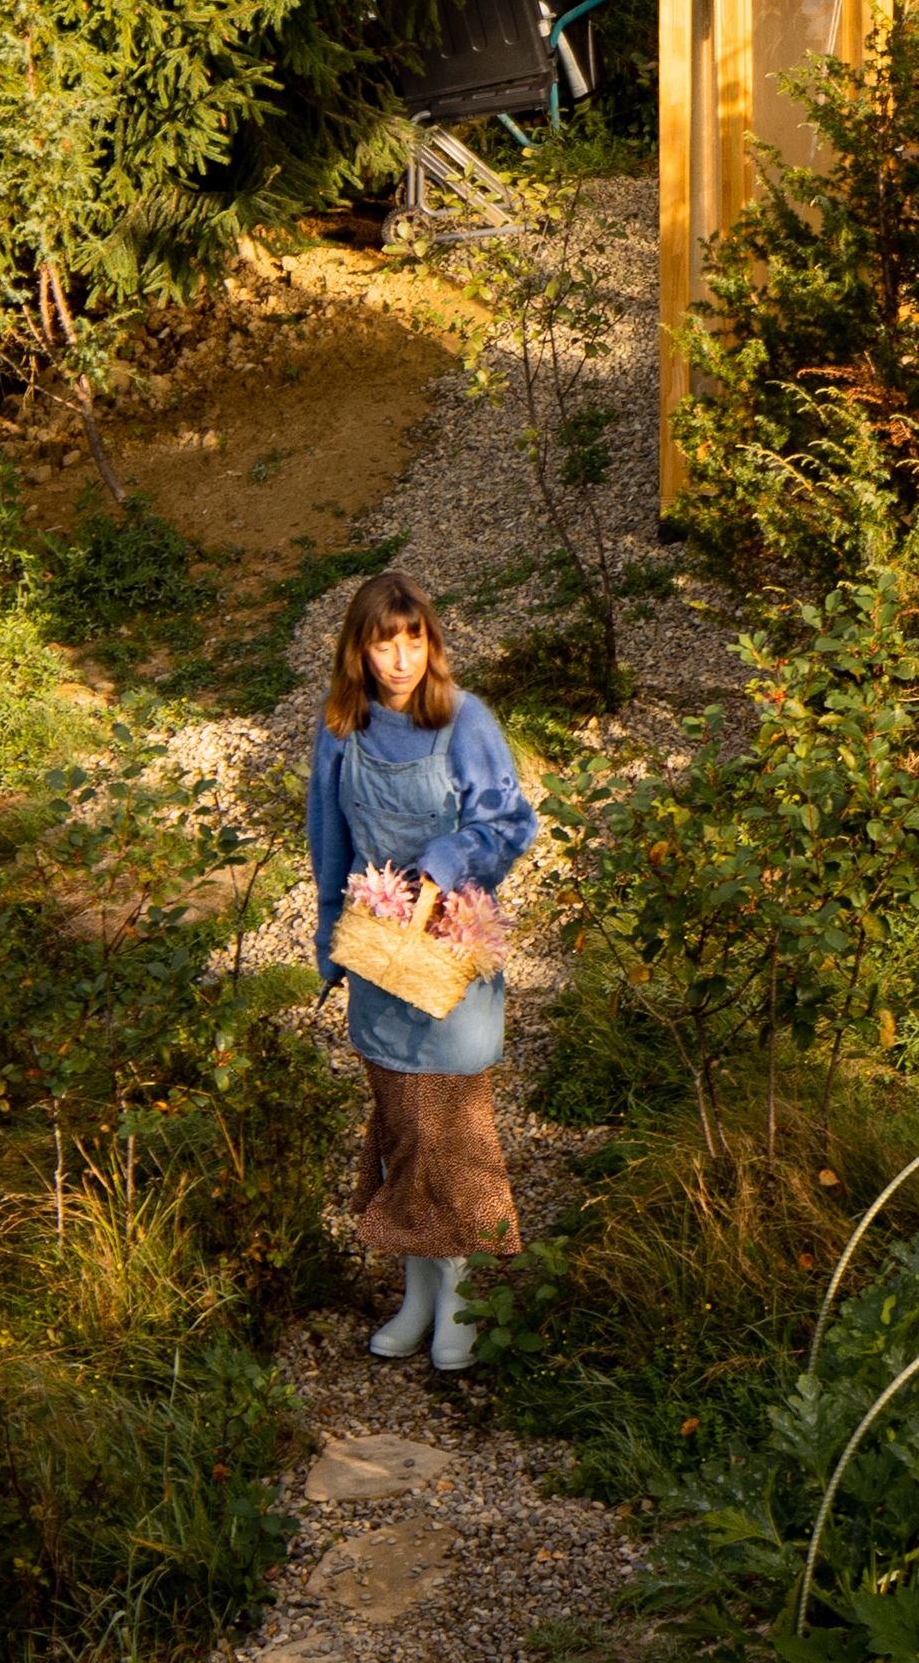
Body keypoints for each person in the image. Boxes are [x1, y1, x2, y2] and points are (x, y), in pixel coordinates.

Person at [303, 568, 534, 1371]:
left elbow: (508, 821)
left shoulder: (463, 720)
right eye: (381, 641)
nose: (399, 657)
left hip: (447, 949)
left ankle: (462, 1296)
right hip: (377, 953)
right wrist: (333, 942)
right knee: (399, 1124)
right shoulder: (342, 728)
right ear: (358, 652)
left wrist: (447, 858)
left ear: (429, 641)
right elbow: (328, 841)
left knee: (452, 1128)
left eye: (412, 638)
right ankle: (418, 1296)